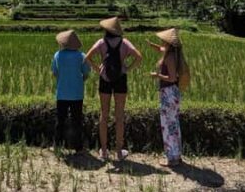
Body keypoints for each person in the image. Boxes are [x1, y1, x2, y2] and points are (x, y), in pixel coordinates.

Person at [86, 17, 142, 161]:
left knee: (104, 114)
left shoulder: (101, 42)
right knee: (119, 115)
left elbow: (87, 57)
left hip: (105, 79)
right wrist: (127, 69)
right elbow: (139, 57)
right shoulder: (124, 42)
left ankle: (104, 151)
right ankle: (118, 152)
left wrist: (98, 69)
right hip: (120, 79)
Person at [148, 27, 188, 167]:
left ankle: (171, 158)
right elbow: (162, 50)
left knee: (167, 124)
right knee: (174, 124)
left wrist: (157, 75)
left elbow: (171, 78)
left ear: (168, 43)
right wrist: (153, 46)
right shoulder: (174, 53)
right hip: (174, 93)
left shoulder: (170, 58)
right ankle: (177, 155)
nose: (161, 42)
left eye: (163, 41)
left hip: (168, 92)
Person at [51, 29, 90, 152]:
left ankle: (57, 145)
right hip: (77, 94)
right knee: (76, 121)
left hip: (62, 93)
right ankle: (78, 147)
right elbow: (86, 73)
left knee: (60, 120)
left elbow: (54, 72)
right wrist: (79, 81)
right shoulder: (81, 56)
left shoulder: (58, 55)